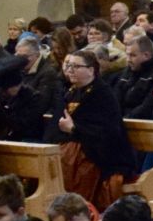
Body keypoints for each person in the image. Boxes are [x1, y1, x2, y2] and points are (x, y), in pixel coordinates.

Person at [56, 50, 140, 209]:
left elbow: (107, 132)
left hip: (102, 155)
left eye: (76, 66)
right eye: (69, 66)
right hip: (78, 148)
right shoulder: (72, 92)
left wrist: (74, 129)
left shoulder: (102, 94)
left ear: (91, 70)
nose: (70, 70)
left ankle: (78, 208)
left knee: (75, 165)